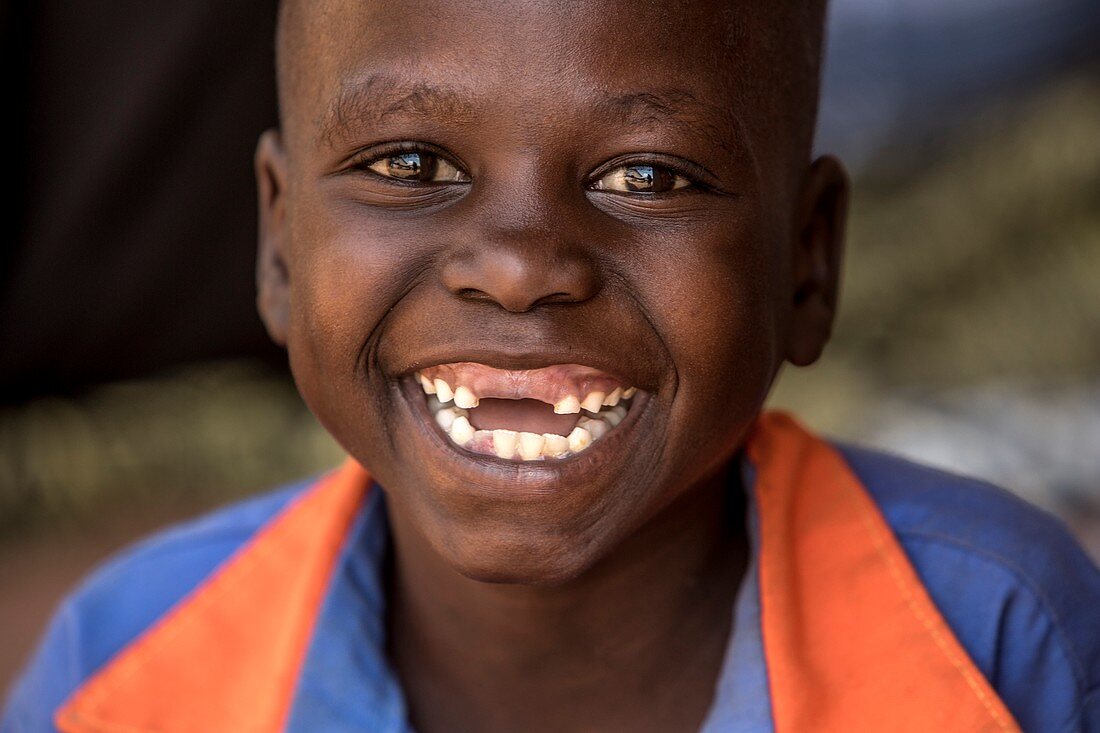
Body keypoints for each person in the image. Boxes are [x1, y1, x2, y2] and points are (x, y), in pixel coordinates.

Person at [4, 1, 1099, 731]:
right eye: (411, 163)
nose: (522, 268)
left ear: (805, 263)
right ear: (279, 246)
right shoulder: (128, 670)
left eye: (647, 178)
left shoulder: (993, 638)